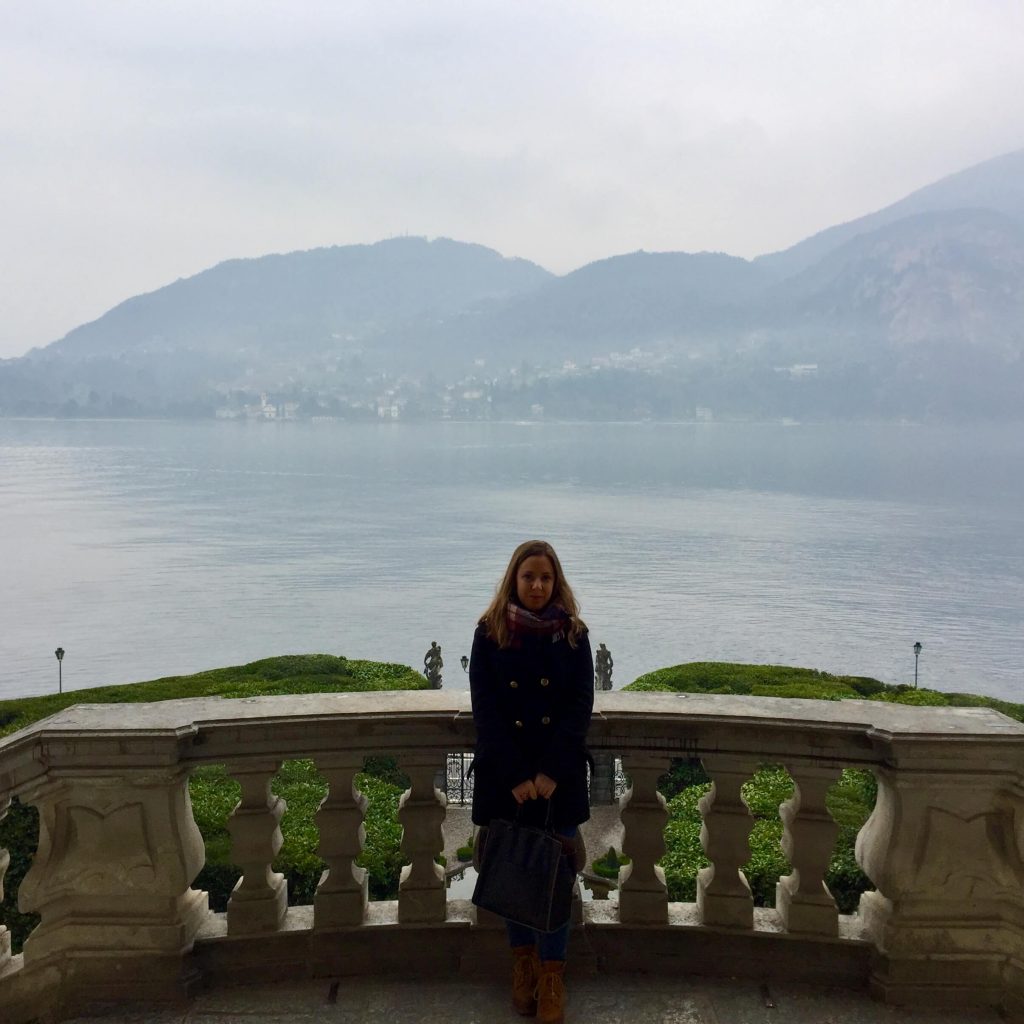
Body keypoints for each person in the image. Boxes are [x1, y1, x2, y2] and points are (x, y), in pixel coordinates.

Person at [469, 540, 594, 1024]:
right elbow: (488, 712)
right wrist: (518, 776)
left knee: (554, 880)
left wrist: (547, 773)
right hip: (508, 780)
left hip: (557, 782)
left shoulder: (574, 635)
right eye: (528, 578)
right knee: (512, 875)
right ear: (513, 581)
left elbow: (578, 708)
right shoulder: (489, 632)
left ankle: (551, 976)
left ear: (556, 581)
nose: (537, 586)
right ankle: (522, 967)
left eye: (545, 578)